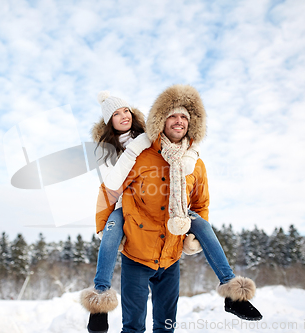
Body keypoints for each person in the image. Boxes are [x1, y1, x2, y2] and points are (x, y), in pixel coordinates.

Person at [93, 85, 262, 333]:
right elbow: (109, 190)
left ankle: (233, 292)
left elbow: (201, 203)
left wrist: (192, 238)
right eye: (173, 115)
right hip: (137, 254)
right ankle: (98, 302)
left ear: (192, 123)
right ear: (161, 120)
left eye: (184, 116)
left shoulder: (196, 163)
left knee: (166, 327)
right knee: (133, 327)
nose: (179, 121)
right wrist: (106, 228)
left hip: (170, 255)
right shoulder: (139, 154)